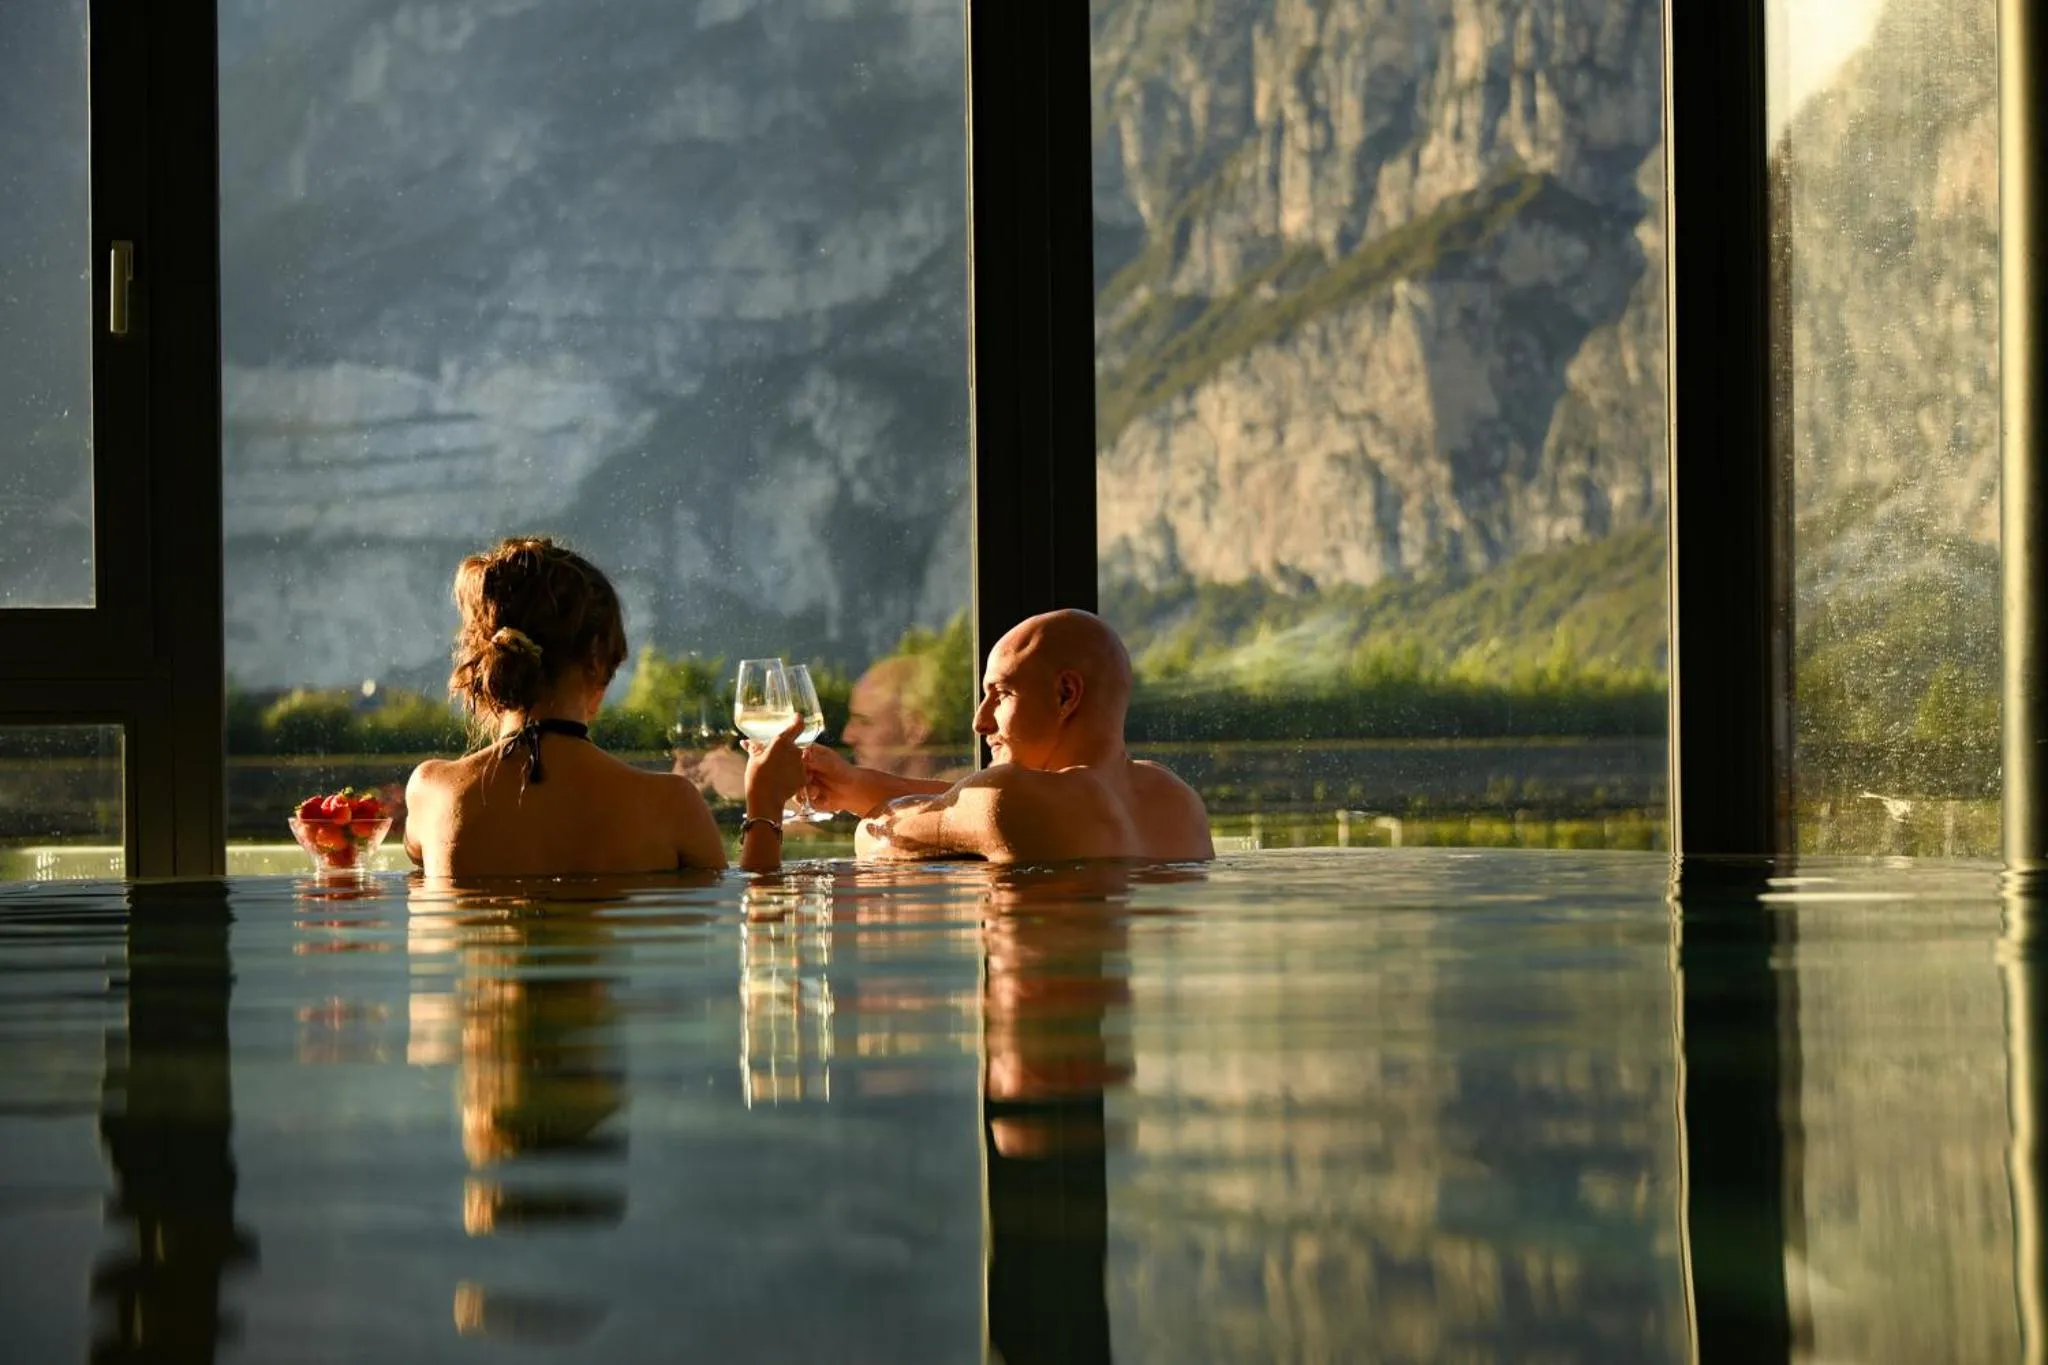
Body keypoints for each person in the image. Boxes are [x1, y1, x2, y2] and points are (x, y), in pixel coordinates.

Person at [405, 536, 804, 877]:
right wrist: (765, 803)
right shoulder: (671, 805)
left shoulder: (431, 794)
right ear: (597, 661)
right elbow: (756, 916)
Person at [801, 609, 1214, 862]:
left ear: (1066, 695)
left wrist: (863, 802)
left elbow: (878, 835)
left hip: (1040, 1001)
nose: (981, 721)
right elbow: (981, 804)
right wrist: (856, 787)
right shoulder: (1176, 798)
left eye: (1001, 694)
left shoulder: (1013, 798)